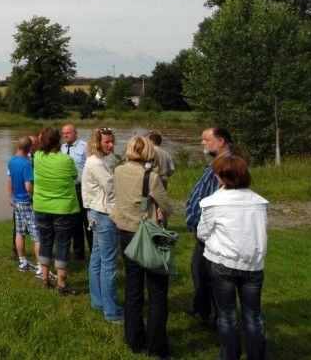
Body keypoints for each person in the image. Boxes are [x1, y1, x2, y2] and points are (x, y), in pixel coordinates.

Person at [198, 154, 268, 360]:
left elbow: (202, 233)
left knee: (227, 315)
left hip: (223, 264)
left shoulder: (213, 203)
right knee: (253, 315)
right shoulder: (259, 202)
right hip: (253, 265)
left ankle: (230, 356)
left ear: (222, 177)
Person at [111, 135, 173, 358]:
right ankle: (156, 345)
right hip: (148, 235)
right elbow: (167, 206)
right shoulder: (152, 176)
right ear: (148, 152)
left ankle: (134, 340)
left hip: (126, 232)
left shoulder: (118, 170)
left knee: (133, 286)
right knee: (157, 289)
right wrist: (160, 207)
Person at [185, 126, 234, 328]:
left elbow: (216, 201)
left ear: (220, 141)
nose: (202, 143)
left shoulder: (226, 166)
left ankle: (218, 318)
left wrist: (202, 226)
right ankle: (202, 309)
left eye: (206, 139)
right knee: (199, 270)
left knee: (211, 275)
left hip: (211, 232)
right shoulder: (215, 164)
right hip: (203, 230)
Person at [81, 127, 123, 323]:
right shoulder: (96, 163)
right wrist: (121, 212)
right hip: (105, 215)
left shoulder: (97, 161)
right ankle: (112, 312)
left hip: (96, 214)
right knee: (109, 265)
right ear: (96, 143)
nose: (111, 145)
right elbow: (112, 190)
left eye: (112, 141)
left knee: (97, 260)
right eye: (106, 142)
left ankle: (98, 302)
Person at [33, 127, 80, 295]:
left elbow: (38, 147)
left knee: (45, 242)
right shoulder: (66, 160)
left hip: (41, 207)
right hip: (63, 209)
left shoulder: (37, 157)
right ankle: (61, 284)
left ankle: (45, 280)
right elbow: (74, 177)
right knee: (62, 245)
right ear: (58, 141)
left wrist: (40, 139)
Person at [7, 136, 41, 275]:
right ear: (28, 149)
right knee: (37, 236)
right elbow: (28, 187)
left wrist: (10, 196)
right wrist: (35, 198)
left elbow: (10, 179)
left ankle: (23, 261)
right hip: (27, 202)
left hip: (16, 201)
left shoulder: (11, 161)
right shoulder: (26, 164)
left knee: (19, 232)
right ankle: (40, 267)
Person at [61, 124, 92, 260]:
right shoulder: (61, 149)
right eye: (64, 133)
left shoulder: (85, 147)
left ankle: (94, 253)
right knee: (74, 223)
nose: (66, 135)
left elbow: (92, 167)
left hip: (83, 188)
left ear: (76, 133)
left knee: (88, 222)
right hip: (68, 190)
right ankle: (79, 255)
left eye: (68, 133)